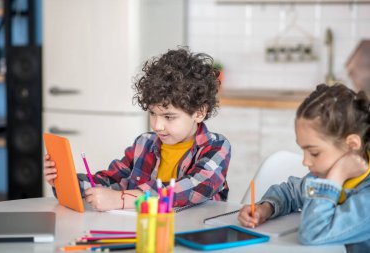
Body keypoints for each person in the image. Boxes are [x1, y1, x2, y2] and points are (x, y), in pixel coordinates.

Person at [44, 47, 231, 212]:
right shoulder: (145, 143)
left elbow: (194, 187)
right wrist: (65, 182)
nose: (157, 125)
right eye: (152, 113)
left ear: (199, 112)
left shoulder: (216, 146)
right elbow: (112, 180)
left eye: (169, 117)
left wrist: (122, 199)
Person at [238, 83, 370, 253]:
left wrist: (335, 178)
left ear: (351, 145)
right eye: (303, 150)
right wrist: (266, 208)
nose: (305, 161)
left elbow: (313, 233)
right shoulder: (321, 177)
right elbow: (289, 192)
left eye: (314, 153)